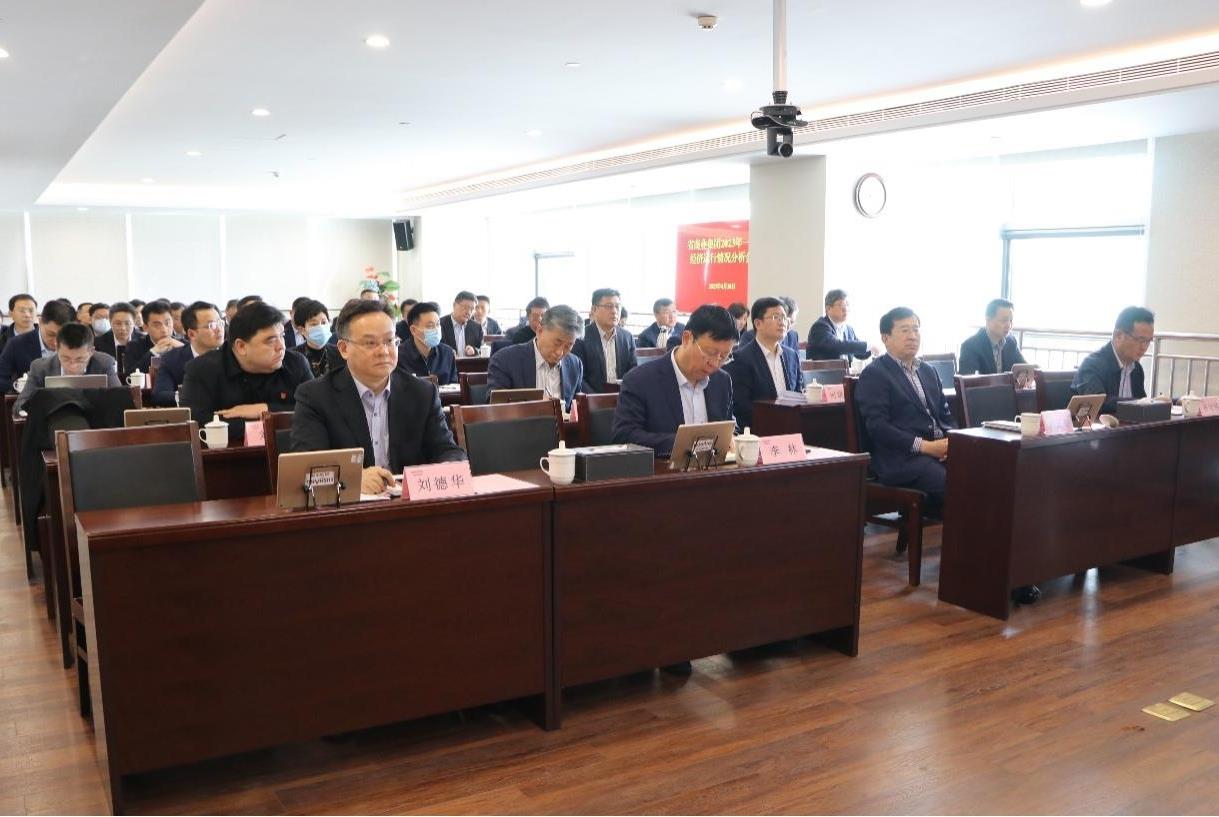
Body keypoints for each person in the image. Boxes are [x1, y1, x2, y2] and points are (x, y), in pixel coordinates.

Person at [291, 299, 466, 495]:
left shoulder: (423, 393)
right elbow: (306, 466)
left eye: (390, 341)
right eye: (370, 343)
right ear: (344, 348)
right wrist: (352, 478)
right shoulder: (315, 397)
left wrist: (446, 469)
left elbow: (447, 450)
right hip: (351, 507)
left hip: (408, 503)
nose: (383, 351)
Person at [854, 307, 956, 518]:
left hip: (938, 452)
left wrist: (952, 443)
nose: (912, 336)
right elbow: (878, 427)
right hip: (902, 459)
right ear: (885, 338)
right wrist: (926, 447)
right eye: (904, 330)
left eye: (916, 329)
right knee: (958, 487)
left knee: (987, 474)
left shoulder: (928, 371)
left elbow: (945, 416)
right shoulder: (875, 374)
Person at [612, 304, 736, 456]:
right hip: (661, 468)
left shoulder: (722, 381)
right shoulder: (640, 380)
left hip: (713, 469)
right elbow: (624, 436)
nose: (715, 363)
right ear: (687, 338)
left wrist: (731, 438)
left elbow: (729, 426)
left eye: (724, 357)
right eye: (710, 353)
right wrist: (686, 443)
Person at [179, 300, 312, 439]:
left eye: (282, 336)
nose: (281, 346)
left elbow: (315, 413)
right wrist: (275, 422)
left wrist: (266, 410)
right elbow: (196, 425)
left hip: (288, 449)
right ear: (241, 346)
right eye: (271, 340)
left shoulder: (296, 363)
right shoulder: (202, 370)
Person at [724, 297, 805, 430]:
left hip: (791, 430)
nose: (782, 322)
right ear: (758, 323)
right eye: (775, 317)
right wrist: (776, 422)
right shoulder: (741, 359)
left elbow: (797, 394)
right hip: (758, 431)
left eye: (784, 318)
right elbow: (741, 406)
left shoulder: (791, 356)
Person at [487, 305, 585, 410]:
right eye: (557, 343)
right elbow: (495, 407)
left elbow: (575, 409)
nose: (559, 352)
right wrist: (537, 402)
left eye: (568, 346)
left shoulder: (575, 365)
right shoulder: (504, 360)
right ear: (540, 331)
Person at [14, 323, 120, 414]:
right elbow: (20, 405)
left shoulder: (104, 363)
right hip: (54, 420)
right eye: (66, 358)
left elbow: (119, 398)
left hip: (95, 420)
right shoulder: (40, 368)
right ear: (56, 348)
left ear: (91, 351)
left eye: (80, 359)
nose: (73, 365)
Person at [1071, 306, 1154, 414]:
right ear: (1118, 335)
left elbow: (1142, 408)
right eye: (1140, 340)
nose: (1144, 347)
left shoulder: (1137, 369)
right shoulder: (1092, 365)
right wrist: (1140, 403)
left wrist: (1161, 403)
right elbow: (1099, 403)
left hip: (1125, 424)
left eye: (1148, 341)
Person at [151, 301, 226, 406]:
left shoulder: (232, 355)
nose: (219, 329)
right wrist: (192, 396)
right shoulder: (172, 359)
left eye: (220, 323)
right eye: (212, 325)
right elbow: (160, 395)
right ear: (191, 334)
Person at [0, 299, 75, 393]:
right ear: (40, 322)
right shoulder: (16, 344)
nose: (56, 342)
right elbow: (2, 379)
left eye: (63, 336)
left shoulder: (79, 344)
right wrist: (19, 385)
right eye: (51, 334)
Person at [573, 288, 638, 393]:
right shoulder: (581, 337)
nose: (614, 311)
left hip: (623, 396)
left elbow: (633, 371)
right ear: (594, 309)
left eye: (617, 306)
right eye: (609, 306)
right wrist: (596, 399)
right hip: (592, 398)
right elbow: (578, 377)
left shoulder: (627, 337)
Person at [807, 289, 880, 362]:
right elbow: (836, 346)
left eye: (847, 304)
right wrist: (867, 345)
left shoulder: (848, 329)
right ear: (828, 309)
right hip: (824, 369)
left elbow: (859, 353)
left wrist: (872, 350)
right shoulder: (820, 327)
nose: (845, 309)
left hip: (845, 369)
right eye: (841, 305)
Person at [959, 298, 1027, 376]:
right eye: (1004, 320)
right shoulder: (970, 346)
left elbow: (1025, 367)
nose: (1009, 325)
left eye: (1010, 320)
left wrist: (1024, 374)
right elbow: (967, 380)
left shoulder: (1011, 342)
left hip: (1007, 385)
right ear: (988, 320)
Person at [397, 301, 458, 385]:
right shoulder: (399, 355)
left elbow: (455, 385)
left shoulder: (447, 353)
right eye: (430, 326)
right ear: (413, 330)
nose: (436, 330)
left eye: (438, 324)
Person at [126, 300, 184, 373]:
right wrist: (153, 352)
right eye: (157, 325)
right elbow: (129, 375)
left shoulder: (183, 344)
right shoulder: (134, 346)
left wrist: (184, 350)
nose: (164, 329)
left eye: (167, 323)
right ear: (145, 327)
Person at [291, 299, 342, 378]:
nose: (321, 327)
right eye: (314, 324)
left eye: (324, 322)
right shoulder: (293, 357)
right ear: (301, 330)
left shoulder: (340, 353)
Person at [93, 302, 139, 378]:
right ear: (110, 323)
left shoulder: (142, 341)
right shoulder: (98, 343)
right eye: (118, 323)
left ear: (134, 322)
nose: (123, 328)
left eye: (127, 323)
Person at [440, 291, 482, 356]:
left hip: (469, 362)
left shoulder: (476, 327)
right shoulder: (440, 325)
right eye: (465, 307)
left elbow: (481, 349)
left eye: (472, 309)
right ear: (454, 305)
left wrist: (474, 350)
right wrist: (446, 352)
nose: (468, 312)